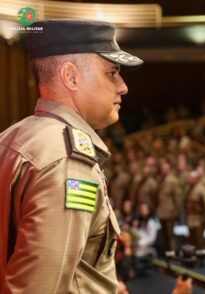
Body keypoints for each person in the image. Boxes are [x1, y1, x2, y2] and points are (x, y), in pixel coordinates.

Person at [0, 19, 143, 293]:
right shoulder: (68, 161)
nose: (122, 86)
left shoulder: (12, 138)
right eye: (112, 73)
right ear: (71, 76)